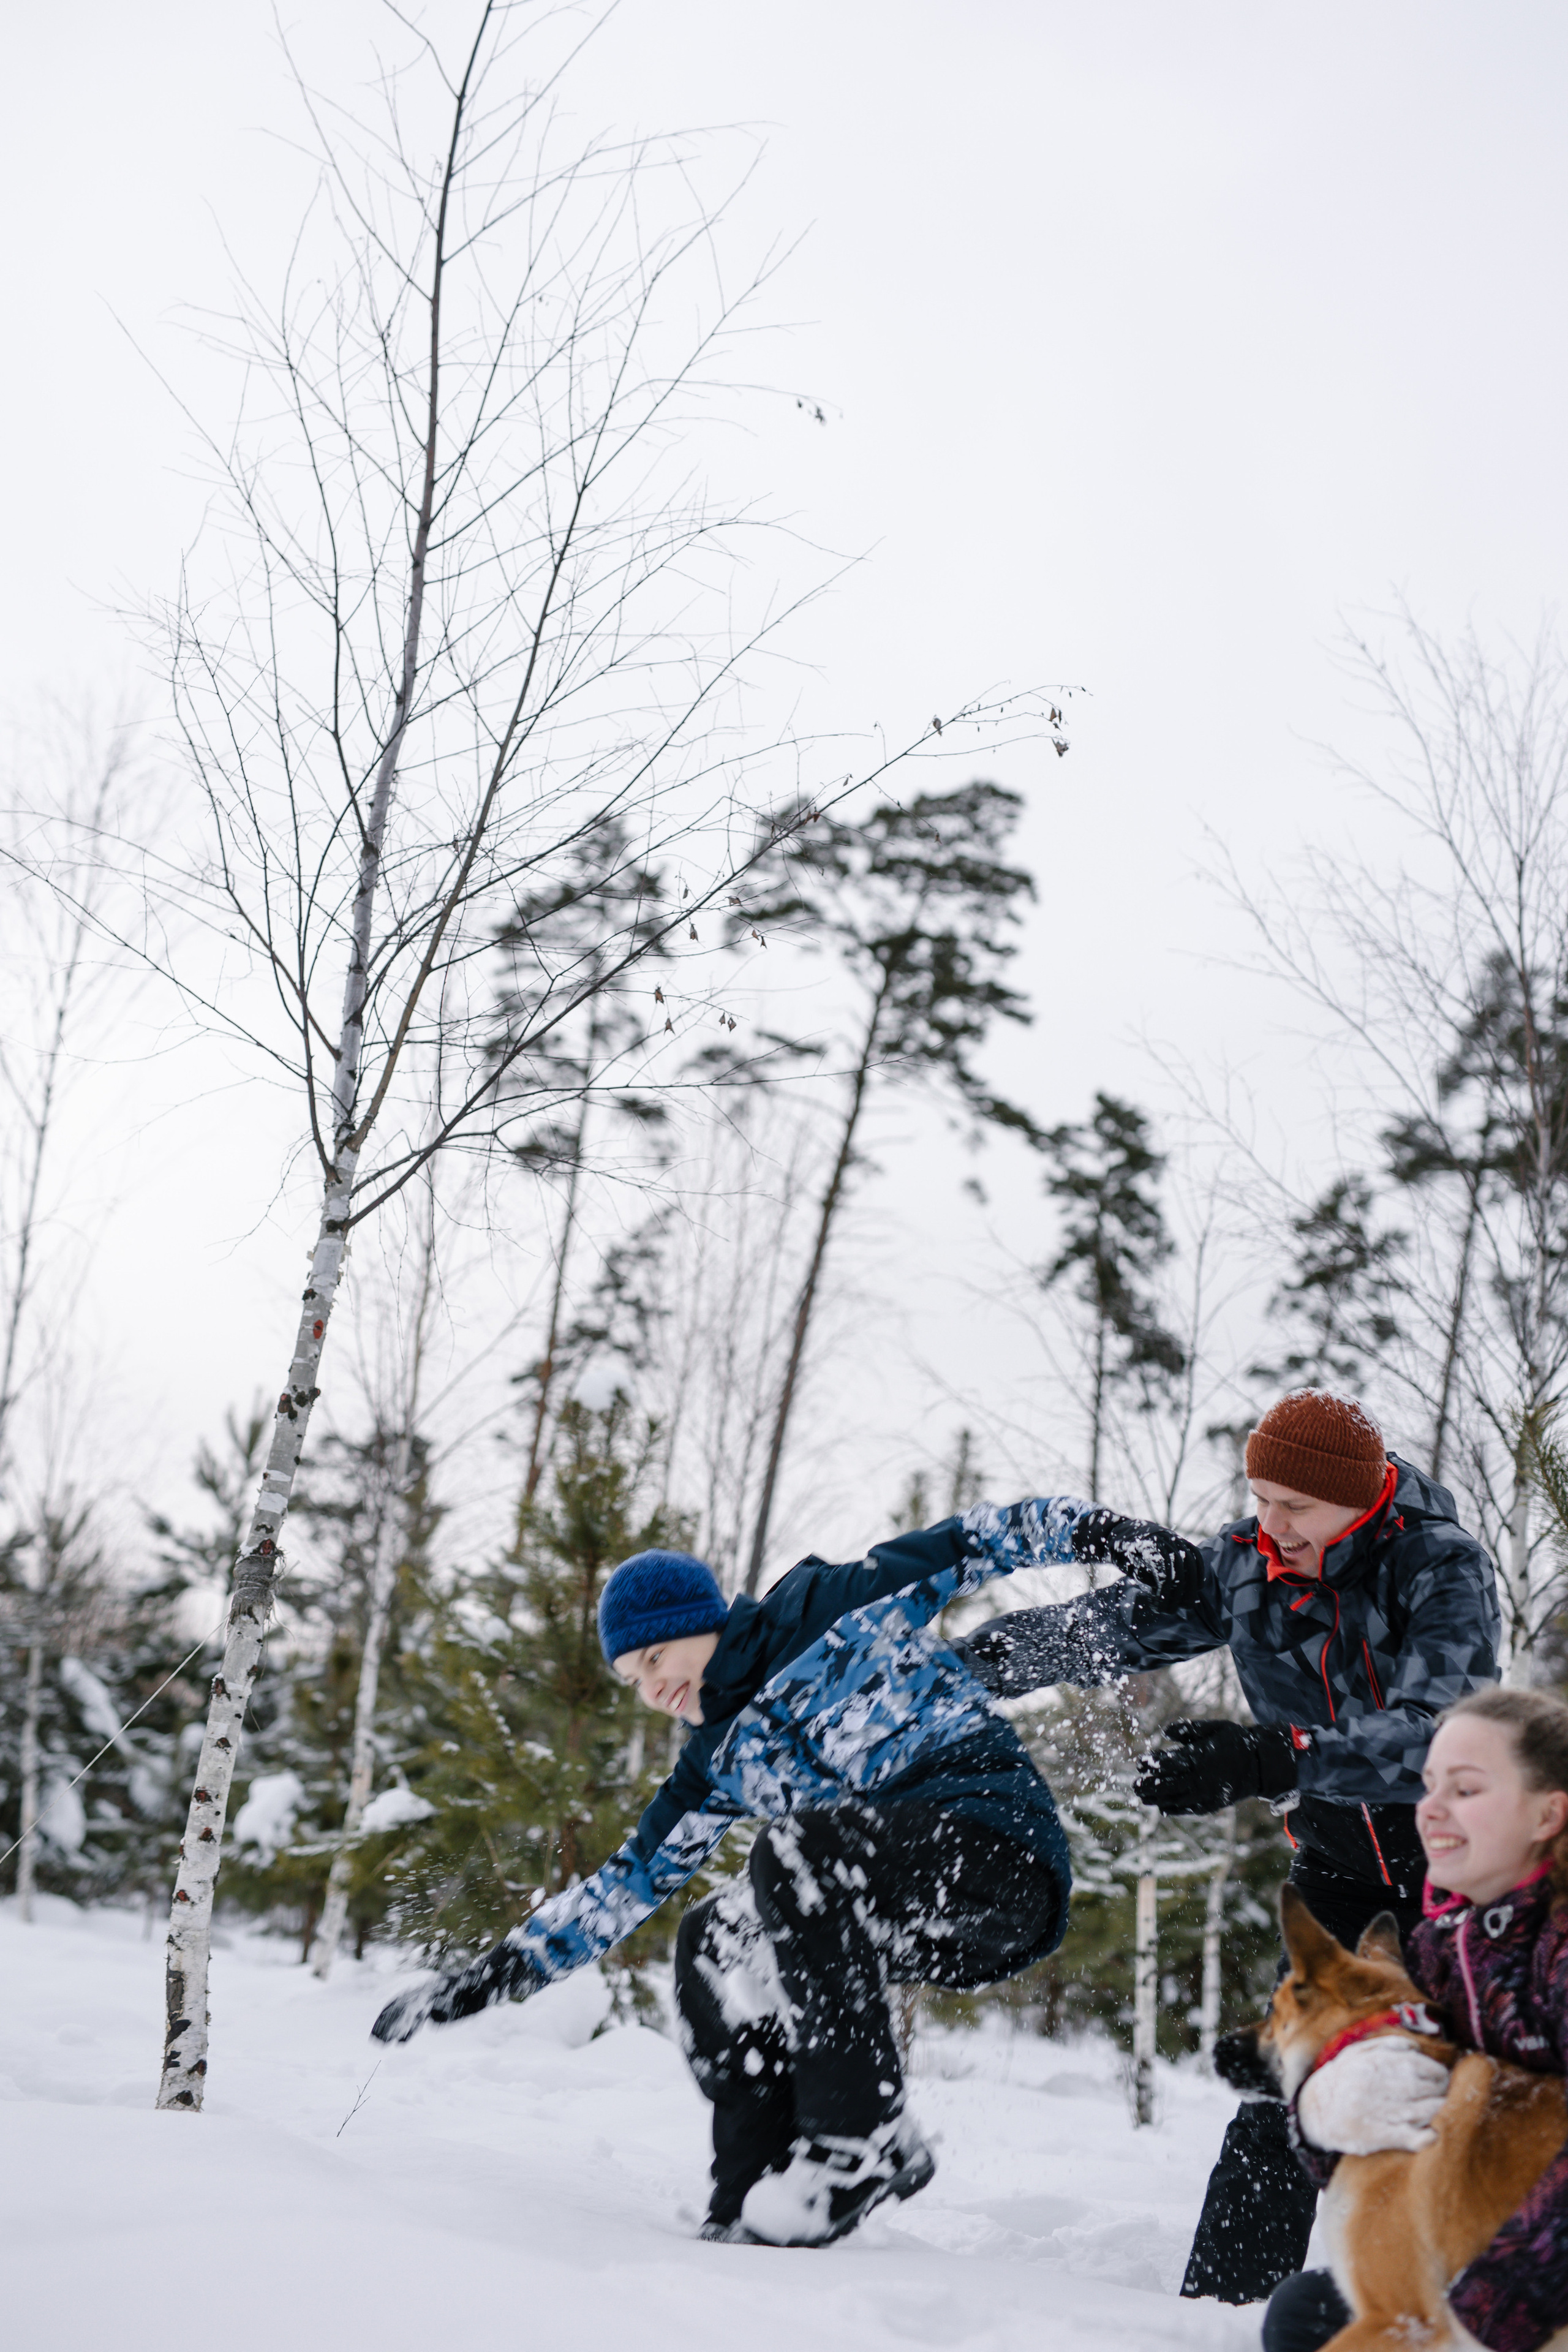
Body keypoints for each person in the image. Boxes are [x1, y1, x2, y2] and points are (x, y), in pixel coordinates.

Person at [945, 1389, 1501, 2305]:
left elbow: (1437, 1735)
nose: (1270, 1525)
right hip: (1338, 1874)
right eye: (1260, 1499)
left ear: (1361, 1500)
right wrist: (952, 1675)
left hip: (1466, 1874)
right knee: (1288, 2098)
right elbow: (1099, 1632)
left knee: (1478, 2105)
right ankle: (1225, 2313)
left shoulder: (1437, 1568)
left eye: (1296, 1508)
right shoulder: (1244, 1568)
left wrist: (1272, 1755)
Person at [369, 1531, 1072, 2247]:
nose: (653, 1690)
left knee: (794, 1851)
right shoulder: (714, 1761)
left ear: (699, 1626)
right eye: (634, 1680)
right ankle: (751, 2198)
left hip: (998, 1862)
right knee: (713, 1937)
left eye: (655, 1659)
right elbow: (625, 1884)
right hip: (899, 1901)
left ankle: (864, 2139)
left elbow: (975, 1539)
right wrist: (490, 1977)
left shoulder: (825, 1610)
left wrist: (1105, 1535)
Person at [1265, 1686, 1568, 2352]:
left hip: (1531, 2285)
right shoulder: (1439, 1947)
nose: (1428, 1809)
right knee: (1306, 2316)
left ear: (1548, 1813)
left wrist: (1484, 2315)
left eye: (1464, 1789)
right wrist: (1322, 2114)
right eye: (1426, 1785)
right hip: (1491, 2246)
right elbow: (1393, 2147)